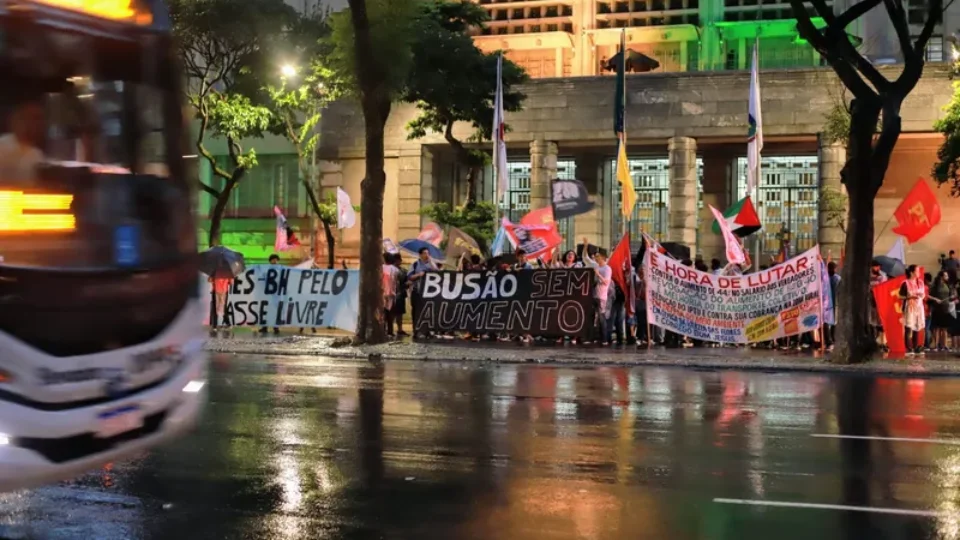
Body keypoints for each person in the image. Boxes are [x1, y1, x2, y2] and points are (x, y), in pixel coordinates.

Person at [0, 100, 45, 186]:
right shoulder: (2, 147)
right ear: (15, 120)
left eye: (38, 119)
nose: (34, 124)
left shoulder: (37, 155)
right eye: (29, 118)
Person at [582, 241, 612, 345]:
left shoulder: (607, 268)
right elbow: (585, 258)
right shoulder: (595, 265)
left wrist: (598, 274)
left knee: (601, 318)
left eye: (598, 257)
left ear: (603, 258)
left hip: (601, 296)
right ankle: (590, 338)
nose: (596, 258)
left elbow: (606, 282)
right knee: (590, 317)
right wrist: (585, 247)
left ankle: (604, 339)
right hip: (593, 295)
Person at [408, 247, 438, 339]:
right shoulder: (415, 264)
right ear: (420, 254)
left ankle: (428, 331)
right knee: (417, 312)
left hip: (430, 293)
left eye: (428, 253)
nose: (426, 255)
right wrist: (418, 275)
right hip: (417, 291)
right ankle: (417, 331)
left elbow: (437, 272)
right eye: (424, 253)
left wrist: (431, 262)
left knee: (429, 312)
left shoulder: (431, 264)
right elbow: (409, 277)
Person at [899, 265, 925, 356]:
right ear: (912, 272)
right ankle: (909, 348)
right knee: (909, 327)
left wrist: (920, 296)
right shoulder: (905, 283)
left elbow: (923, 294)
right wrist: (909, 297)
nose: (919, 273)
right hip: (909, 307)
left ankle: (916, 346)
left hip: (919, 307)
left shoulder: (920, 282)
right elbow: (900, 296)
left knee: (917, 327)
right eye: (917, 271)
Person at [930, 270, 953, 352]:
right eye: (946, 275)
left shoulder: (947, 285)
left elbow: (950, 295)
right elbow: (928, 295)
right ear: (941, 277)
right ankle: (936, 345)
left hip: (946, 308)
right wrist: (935, 299)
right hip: (937, 308)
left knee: (944, 328)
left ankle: (944, 345)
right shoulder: (935, 286)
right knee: (937, 328)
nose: (947, 277)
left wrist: (952, 297)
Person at [259, 254, 281, 335]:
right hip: (267, 293)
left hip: (276, 293)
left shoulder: (280, 269)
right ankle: (265, 327)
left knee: (275, 310)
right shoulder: (266, 269)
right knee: (266, 310)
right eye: (273, 260)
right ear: (270, 261)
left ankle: (276, 327)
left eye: (276, 260)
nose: (275, 261)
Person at [869, 260, 888, 349]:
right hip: (870, 301)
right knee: (872, 322)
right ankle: (873, 340)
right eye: (876, 266)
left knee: (881, 323)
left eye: (878, 267)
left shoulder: (883, 276)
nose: (878, 268)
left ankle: (883, 341)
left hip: (880, 301)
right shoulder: (867, 276)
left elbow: (885, 287)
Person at [382, 252, 401, 338]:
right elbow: (397, 281)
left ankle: (383, 330)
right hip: (391, 293)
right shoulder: (395, 269)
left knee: (383, 313)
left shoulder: (380, 268)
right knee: (390, 313)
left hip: (382, 293)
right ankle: (390, 331)